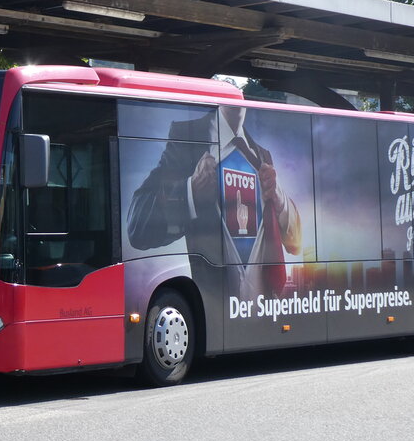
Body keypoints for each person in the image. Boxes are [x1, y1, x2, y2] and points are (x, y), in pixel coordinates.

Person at [125, 104, 301, 297]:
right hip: (216, 309)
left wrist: (278, 196)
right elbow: (137, 228)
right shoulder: (186, 138)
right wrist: (190, 190)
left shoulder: (261, 155)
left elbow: (295, 241)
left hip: (268, 309)